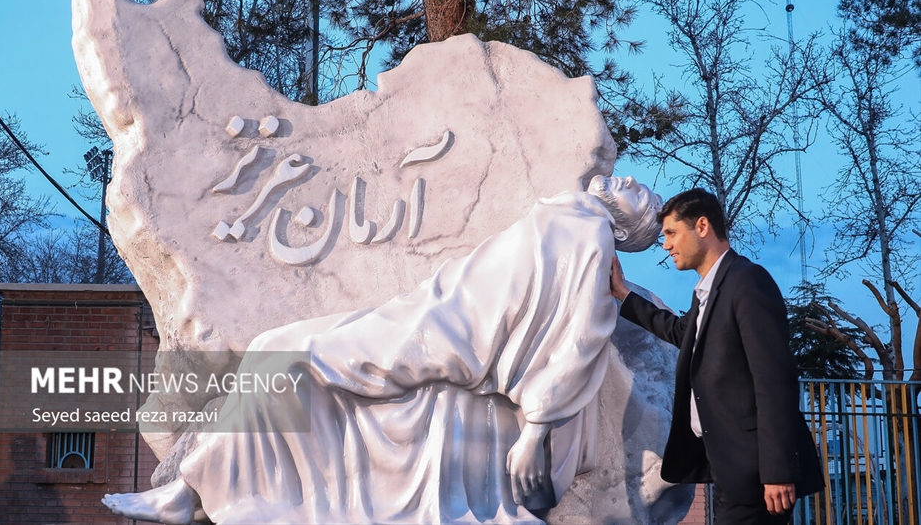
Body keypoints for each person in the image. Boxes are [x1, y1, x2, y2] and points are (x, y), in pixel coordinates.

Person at [103, 176, 663, 525]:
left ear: (627, 226)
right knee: (279, 349)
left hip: (444, 336)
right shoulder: (569, 213)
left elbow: (577, 345)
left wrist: (537, 429)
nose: (632, 180)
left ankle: (192, 487)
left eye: (641, 197)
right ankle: (195, 485)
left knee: (288, 353)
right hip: (431, 309)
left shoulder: (589, 239)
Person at [609, 188, 823, 524]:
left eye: (671, 233)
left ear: (703, 226)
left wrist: (777, 470)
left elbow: (774, 380)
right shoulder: (709, 290)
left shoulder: (748, 282)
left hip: (756, 472)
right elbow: (684, 334)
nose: (665, 245)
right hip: (727, 466)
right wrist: (623, 294)